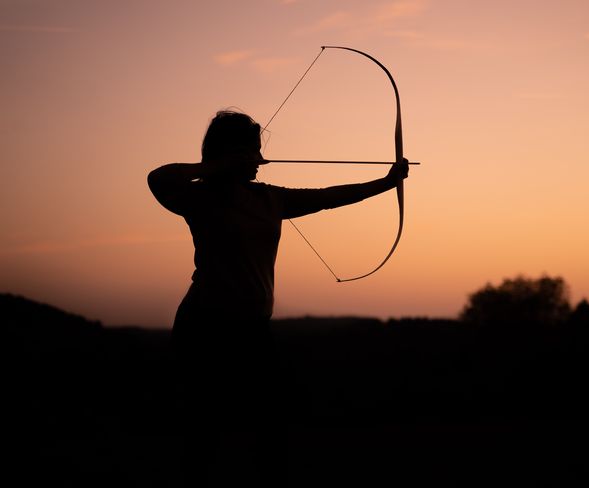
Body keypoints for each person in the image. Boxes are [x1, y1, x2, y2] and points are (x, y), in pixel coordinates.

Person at [148, 109, 408, 487]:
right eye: (250, 151)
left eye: (257, 149)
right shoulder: (198, 196)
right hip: (205, 326)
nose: (259, 158)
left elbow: (328, 198)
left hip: (253, 329)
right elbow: (157, 178)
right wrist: (220, 167)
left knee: (271, 424)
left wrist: (386, 183)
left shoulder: (269, 198)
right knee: (202, 426)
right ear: (226, 153)